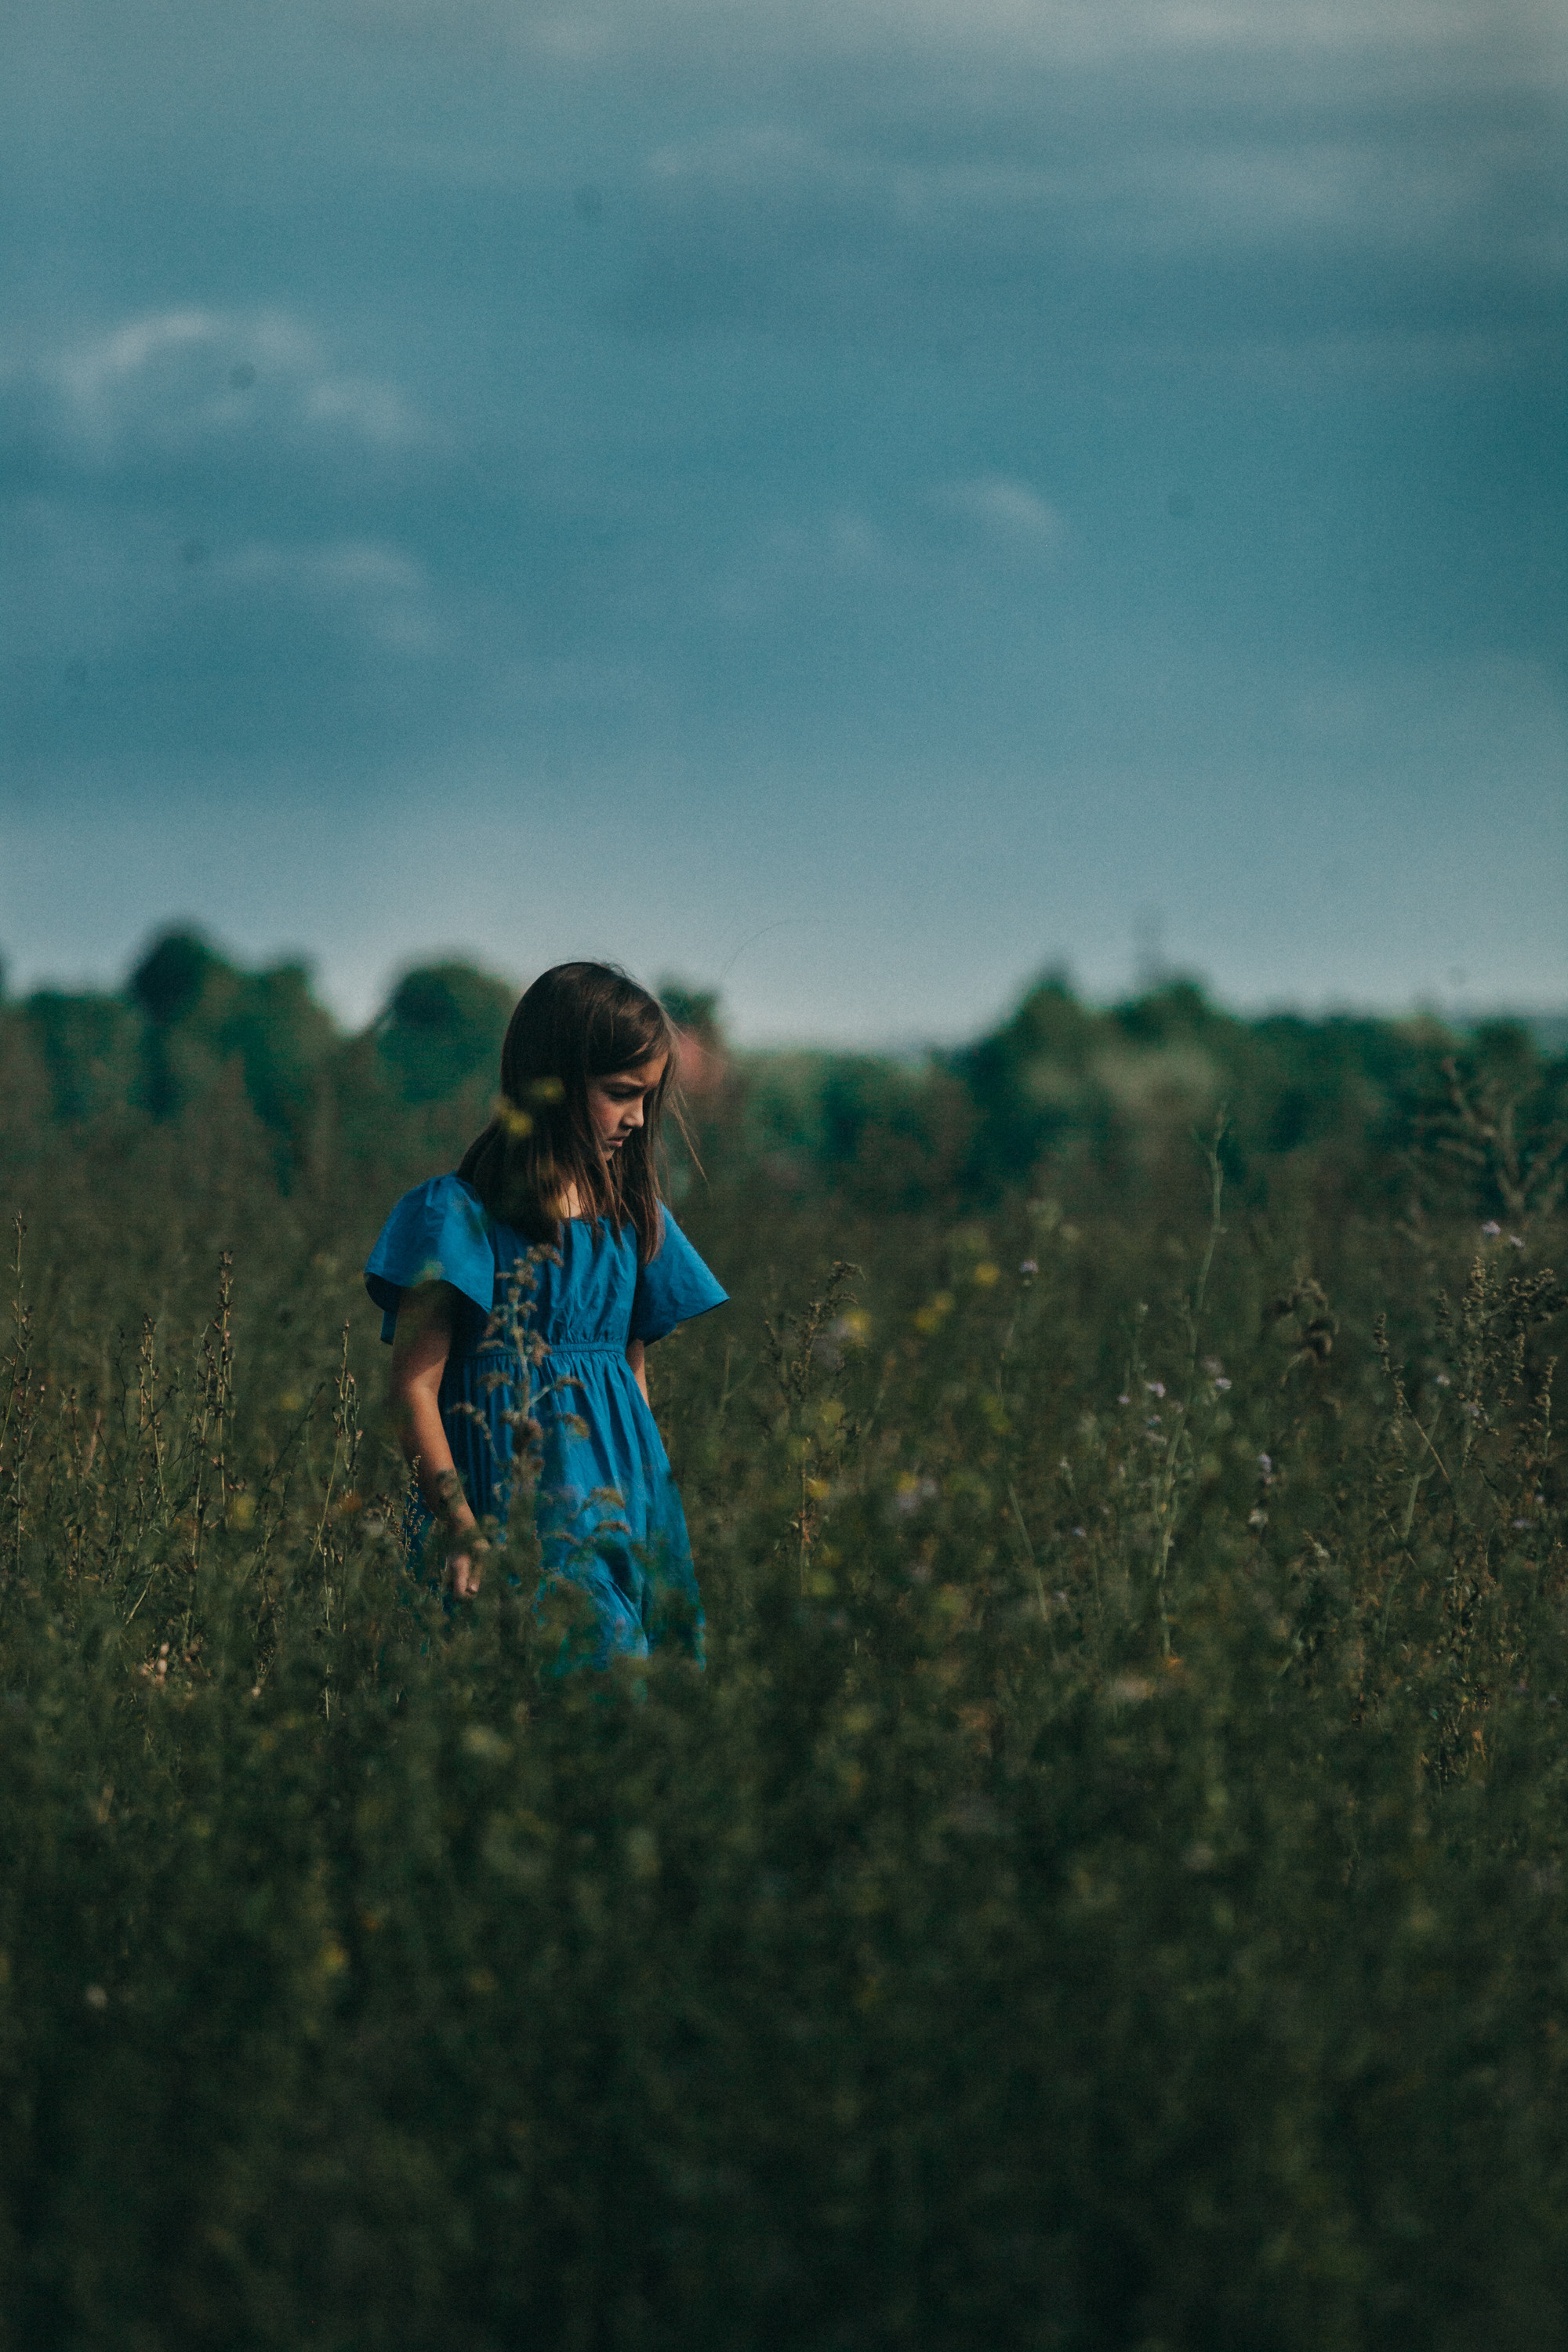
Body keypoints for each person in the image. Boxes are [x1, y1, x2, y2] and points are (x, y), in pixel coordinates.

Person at [364, 962, 728, 1668]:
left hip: (627, 1507)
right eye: (621, 1094)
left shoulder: (632, 1220)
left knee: (644, 1717)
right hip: (512, 1511)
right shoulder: (457, 1218)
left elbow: (630, 1376)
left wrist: (652, 1508)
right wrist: (457, 1525)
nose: (638, 1118)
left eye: (649, 1098)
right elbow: (412, 1388)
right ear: (553, 1083)